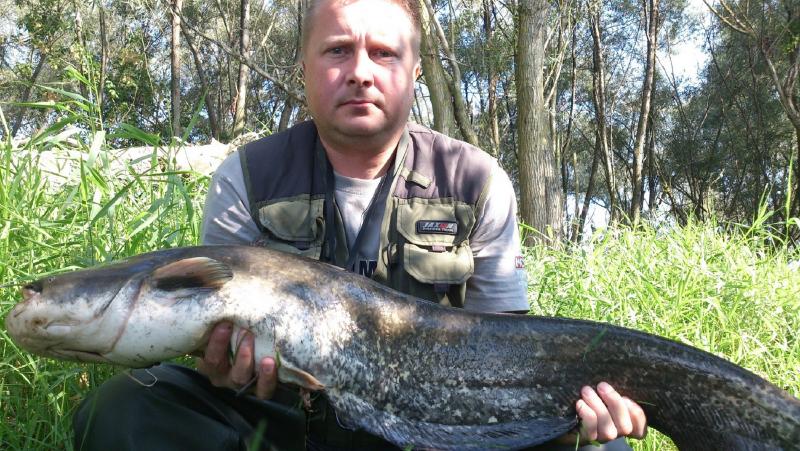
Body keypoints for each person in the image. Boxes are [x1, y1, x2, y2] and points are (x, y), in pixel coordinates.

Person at [73, 0, 647, 449]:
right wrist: (225, 371)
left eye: (384, 54)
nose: (361, 73)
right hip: (283, 424)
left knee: (600, 447)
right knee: (124, 408)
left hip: (441, 432)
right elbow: (216, 354)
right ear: (305, 66)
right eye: (338, 51)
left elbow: (506, 351)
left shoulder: (476, 180)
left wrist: (568, 421)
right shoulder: (246, 177)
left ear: (414, 71)